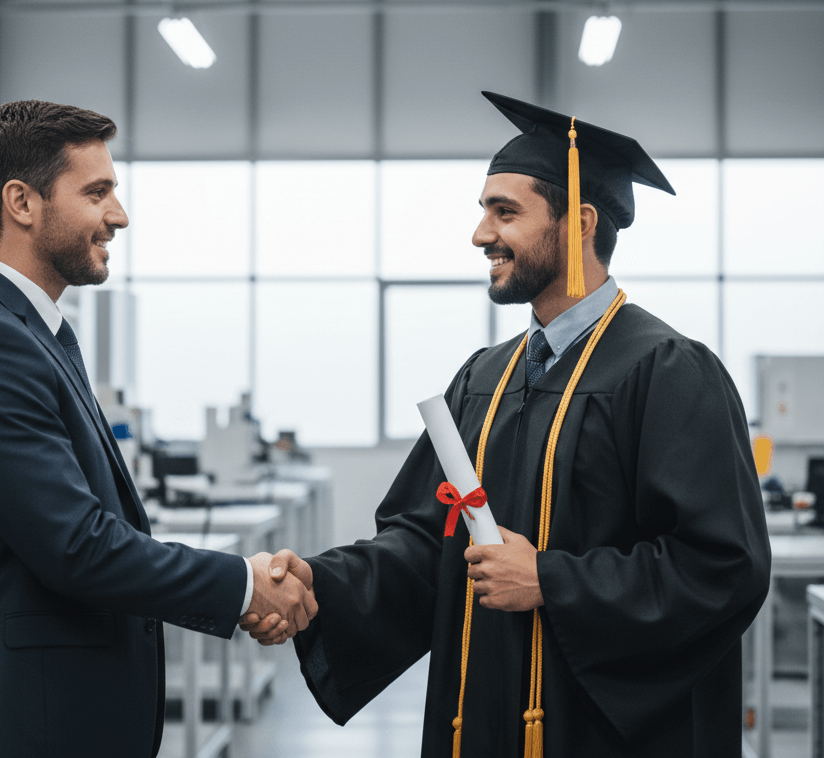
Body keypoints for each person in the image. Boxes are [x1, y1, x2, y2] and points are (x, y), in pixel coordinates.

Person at [243, 92, 771, 757]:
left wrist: (551, 580)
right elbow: (424, 544)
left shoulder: (668, 372)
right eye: (483, 211)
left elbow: (722, 567)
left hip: (603, 733)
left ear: (579, 222)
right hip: (483, 715)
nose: (481, 234)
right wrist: (322, 584)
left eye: (505, 211)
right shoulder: (482, 379)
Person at [0, 100, 315, 758]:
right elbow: (78, 548)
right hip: (12, 722)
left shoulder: (33, 334)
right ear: (21, 203)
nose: (118, 216)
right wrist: (242, 585)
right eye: (97, 192)